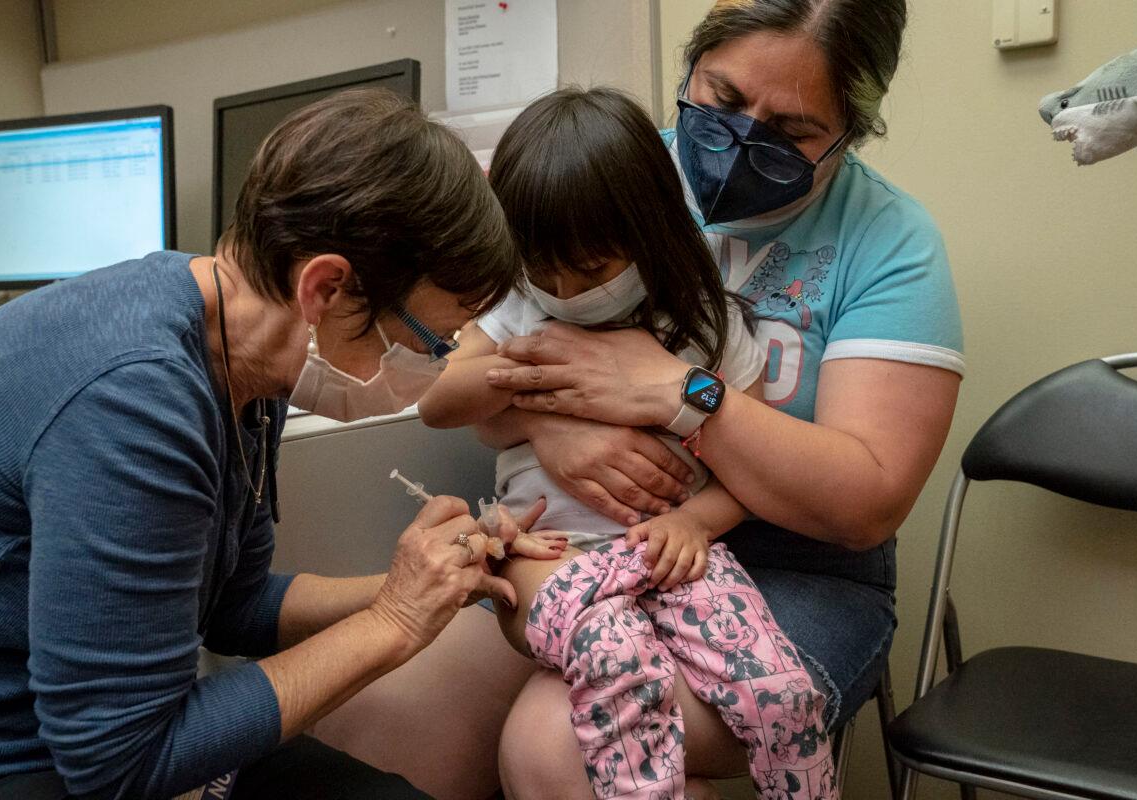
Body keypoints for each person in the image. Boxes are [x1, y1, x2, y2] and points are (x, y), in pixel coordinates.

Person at [311, 1, 963, 797]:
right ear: (690, 71)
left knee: (561, 746)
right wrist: (555, 420)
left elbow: (864, 504)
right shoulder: (594, 174)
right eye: (721, 102)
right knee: (371, 719)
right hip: (576, 540)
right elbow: (453, 369)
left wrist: (674, 392)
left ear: (853, 127)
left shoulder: (888, 242)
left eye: (790, 132)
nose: (738, 142)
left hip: (789, 564)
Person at [0, 88, 545, 800]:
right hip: (24, 758)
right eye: (429, 340)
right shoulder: (136, 398)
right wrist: (396, 620)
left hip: (114, 739)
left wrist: (435, 585)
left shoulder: (248, 353)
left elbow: (234, 608)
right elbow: (120, 760)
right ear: (328, 287)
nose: (436, 365)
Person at [418, 86, 838, 800]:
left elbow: (752, 467)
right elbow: (438, 401)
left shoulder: (704, 325)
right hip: (548, 553)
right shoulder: (518, 305)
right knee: (617, 662)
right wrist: (529, 382)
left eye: (593, 268)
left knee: (782, 697)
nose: (567, 290)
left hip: (671, 556)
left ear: (649, 232)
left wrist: (692, 523)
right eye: (544, 267)